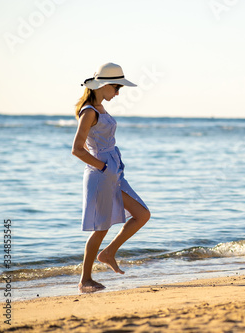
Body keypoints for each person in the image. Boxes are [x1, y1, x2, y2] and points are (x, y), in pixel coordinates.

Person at [72, 62, 151, 292]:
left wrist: (112, 170)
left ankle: (108, 253)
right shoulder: (89, 112)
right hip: (101, 175)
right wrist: (105, 168)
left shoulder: (100, 109)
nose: (118, 93)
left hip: (114, 175)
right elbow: (77, 149)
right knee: (101, 228)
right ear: (104, 85)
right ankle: (85, 280)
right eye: (117, 88)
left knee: (142, 214)